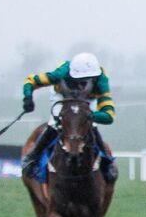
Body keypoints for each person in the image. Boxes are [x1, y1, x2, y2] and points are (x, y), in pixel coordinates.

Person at [19, 52, 118, 183]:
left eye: (88, 80)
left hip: (87, 99)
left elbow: (109, 115)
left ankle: (107, 161)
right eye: (80, 80)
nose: (82, 85)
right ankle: (32, 158)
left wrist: (89, 116)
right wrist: (27, 98)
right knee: (54, 123)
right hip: (62, 95)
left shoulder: (101, 80)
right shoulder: (61, 74)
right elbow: (31, 81)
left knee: (92, 125)